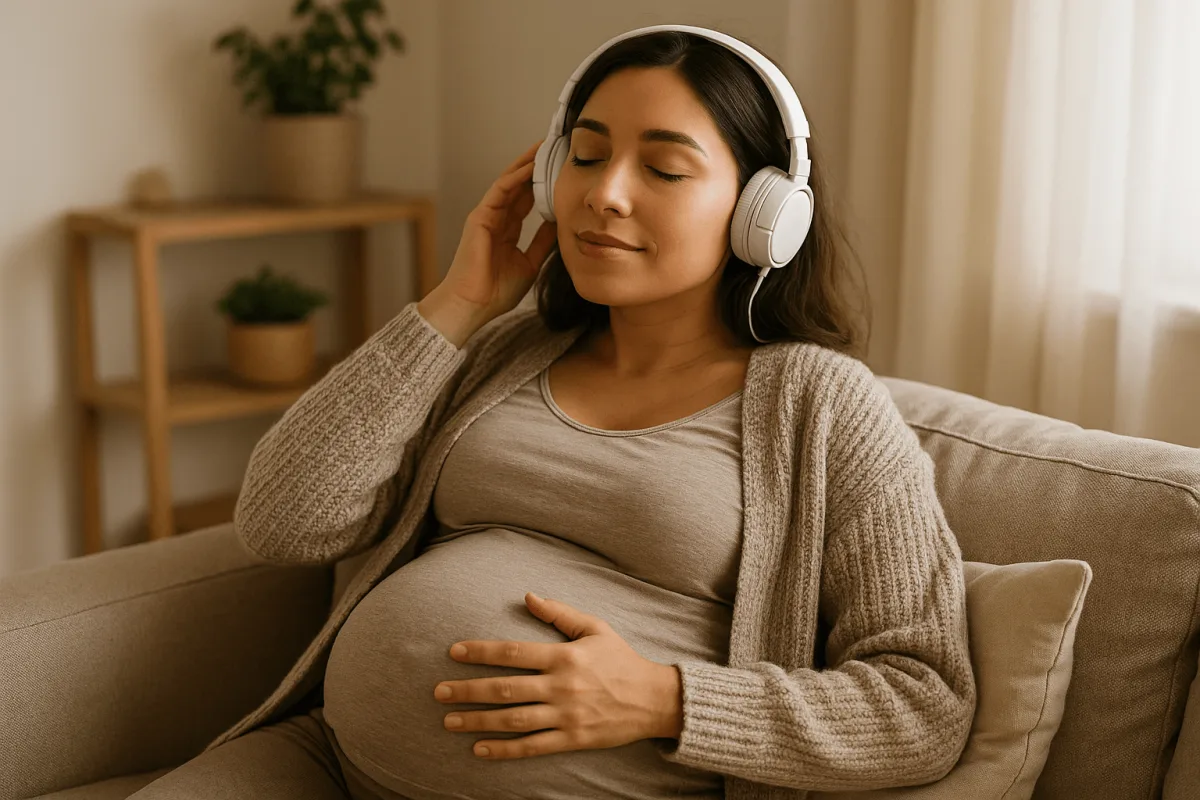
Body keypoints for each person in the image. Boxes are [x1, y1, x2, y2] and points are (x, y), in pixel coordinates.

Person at [130, 27, 976, 800]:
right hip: (330, 763)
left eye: (664, 170)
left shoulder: (823, 405)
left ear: (765, 215)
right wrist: (460, 305)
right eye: (586, 155)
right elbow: (283, 521)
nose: (605, 193)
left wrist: (667, 700)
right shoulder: (508, 349)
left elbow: (923, 704)